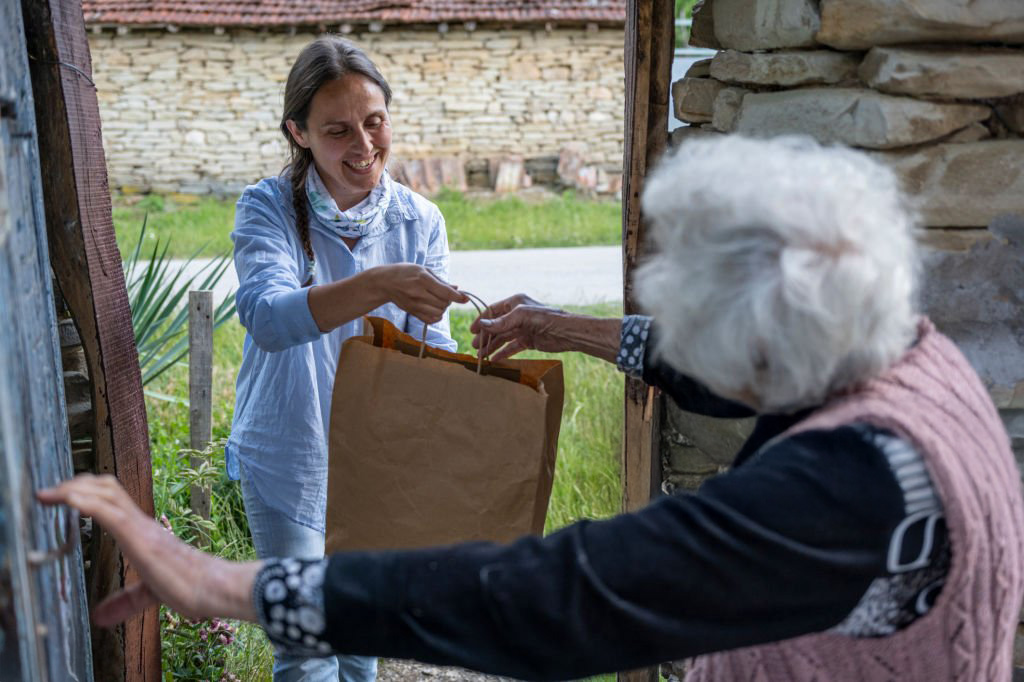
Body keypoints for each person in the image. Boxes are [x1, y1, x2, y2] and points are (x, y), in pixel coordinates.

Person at [41, 136, 1024, 681]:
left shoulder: (849, 484)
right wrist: (568, 327)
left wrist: (234, 587)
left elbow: (569, 594)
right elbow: (727, 365)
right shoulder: (900, 345)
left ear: (769, 352)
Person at [224, 35, 466, 682]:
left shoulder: (420, 220)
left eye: (374, 122)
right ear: (298, 133)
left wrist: (464, 376)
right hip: (288, 454)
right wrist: (379, 284)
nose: (363, 146)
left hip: (377, 461)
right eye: (337, 131)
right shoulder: (267, 208)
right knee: (306, 649)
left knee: (361, 638)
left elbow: (431, 344)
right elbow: (268, 319)